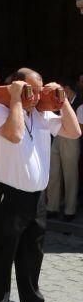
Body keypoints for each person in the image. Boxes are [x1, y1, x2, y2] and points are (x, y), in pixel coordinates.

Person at [0, 67, 81, 302]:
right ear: (16, 87)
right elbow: (13, 135)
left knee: (31, 259)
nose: (36, 96)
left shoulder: (41, 114)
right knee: (0, 261)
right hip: (6, 196)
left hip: (35, 198)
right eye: (30, 90)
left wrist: (60, 100)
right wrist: (15, 99)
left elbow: (73, 132)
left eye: (40, 91)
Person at [47, 79, 82, 221]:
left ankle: (70, 210)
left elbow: (79, 128)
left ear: (67, 88)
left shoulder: (80, 103)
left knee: (70, 175)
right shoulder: (57, 101)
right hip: (57, 136)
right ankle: (52, 207)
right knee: (53, 173)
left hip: (71, 140)